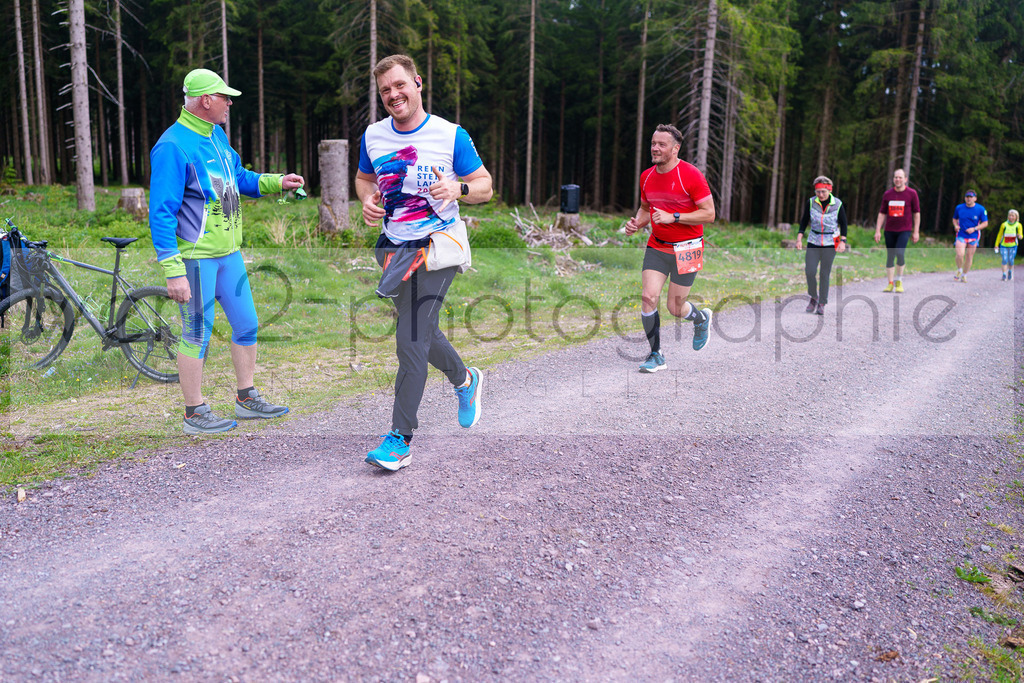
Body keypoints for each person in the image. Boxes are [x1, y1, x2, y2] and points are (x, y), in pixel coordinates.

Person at [355, 54, 493, 471]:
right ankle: (466, 379)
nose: (394, 95)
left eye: (400, 85)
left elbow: (485, 187)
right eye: (385, 91)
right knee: (422, 331)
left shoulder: (451, 135)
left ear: (417, 83)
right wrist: (366, 199)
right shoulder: (374, 136)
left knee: (410, 337)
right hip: (393, 248)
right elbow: (365, 178)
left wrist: (458, 187)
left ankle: (400, 439)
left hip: (437, 247)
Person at [149, 68, 304, 435]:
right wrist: (173, 270)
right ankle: (194, 412)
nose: (229, 103)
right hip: (196, 258)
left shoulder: (216, 137)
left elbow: (241, 178)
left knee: (247, 324)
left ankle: (246, 397)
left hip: (229, 255)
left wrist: (276, 182)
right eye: (224, 97)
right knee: (197, 334)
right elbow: (161, 212)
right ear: (206, 100)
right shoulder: (173, 146)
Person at [625, 124, 715, 372]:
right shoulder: (647, 176)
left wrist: (675, 217)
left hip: (688, 248)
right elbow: (646, 208)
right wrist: (636, 223)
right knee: (648, 297)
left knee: (675, 307)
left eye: (661, 144)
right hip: (657, 246)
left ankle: (700, 318)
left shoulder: (691, 175)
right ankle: (656, 355)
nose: (655, 148)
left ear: (675, 149)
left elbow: (709, 214)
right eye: (653, 143)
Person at [796, 176, 847, 315]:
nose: (820, 194)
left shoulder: (837, 204)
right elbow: (804, 221)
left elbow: (843, 223)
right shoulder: (811, 202)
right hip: (814, 240)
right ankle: (813, 297)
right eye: (818, 191)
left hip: (831, 242)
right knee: (810, 271)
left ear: (829, 190)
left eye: (823, 192)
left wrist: (843, 241)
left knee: (825, 273)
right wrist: (799, 238)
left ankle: (822, 303)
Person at [873, 167, 920, 292]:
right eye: (896, 177)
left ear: (905, 179)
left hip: (904, 229)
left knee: (900, 253)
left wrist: (916, 231)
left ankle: (898, 281)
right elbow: (882, 213)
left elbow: (916, 213)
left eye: (900, 177)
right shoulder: (888, 194)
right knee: (890, 256)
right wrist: (877, 230)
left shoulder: (912, 193)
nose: (898, 179)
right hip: (889, 229)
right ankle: (889, 283)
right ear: (893, 179)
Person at [952, 189, 988, 282]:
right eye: (967, 197)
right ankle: (959, 270)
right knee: (960, 254)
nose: (969, 199)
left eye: (971, 197)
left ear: (975, 198)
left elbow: (985, 223)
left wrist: (974, 228)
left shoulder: (980, 209)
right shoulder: (959, 207)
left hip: (974, 236)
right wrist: (956, 225)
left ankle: (964, 274)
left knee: (969, 256)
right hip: (961, 234)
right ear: (965, 198)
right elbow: (954, 219)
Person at [994, 209, 1021, 281]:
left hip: (1013, 245)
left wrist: (1020, 236)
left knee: (1011, 260)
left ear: (1016, 217)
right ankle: (1004, 274)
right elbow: (999, 235)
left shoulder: (1018, 225)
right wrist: (996, 244)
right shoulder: (1004, 225)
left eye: (1013, 216)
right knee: (1004, 259)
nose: (1011, 217)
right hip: (1004, 245)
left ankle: (1010, 271)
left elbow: (1021, 234)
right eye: (1009, 215)